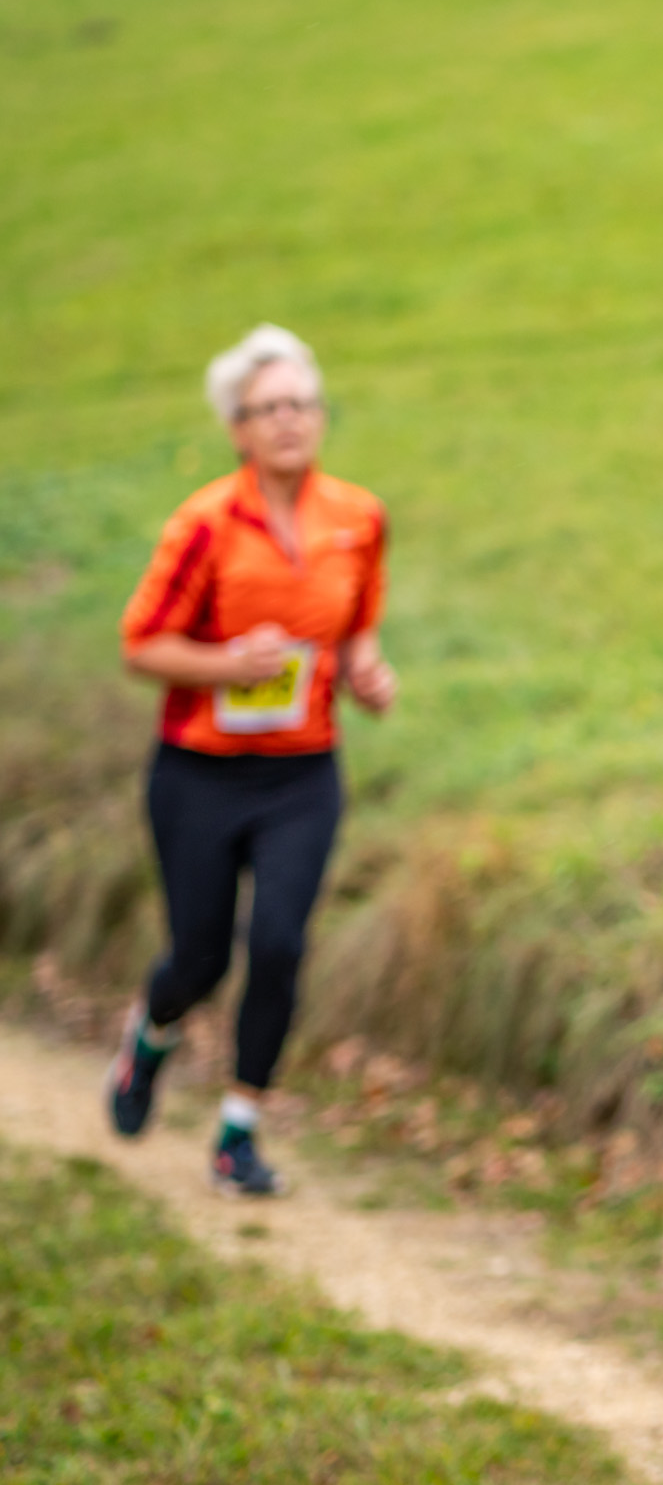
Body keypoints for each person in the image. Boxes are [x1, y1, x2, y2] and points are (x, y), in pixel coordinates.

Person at [109, 324, 396, 1197]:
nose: (288, 421)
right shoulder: (204, 524)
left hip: (302, 774)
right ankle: (150, 1038)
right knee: (199, 958)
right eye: (268, 408)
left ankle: (239, 1131)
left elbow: (357, 627)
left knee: (277, 945)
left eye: (302, 404)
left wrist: (367, 672)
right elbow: (140, 644)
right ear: (237, 427)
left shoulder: (357, 518)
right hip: (198, 772)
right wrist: (225, 665)